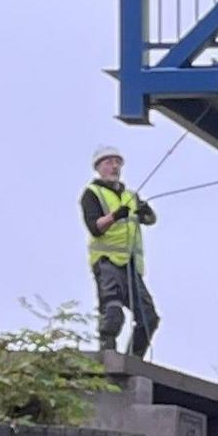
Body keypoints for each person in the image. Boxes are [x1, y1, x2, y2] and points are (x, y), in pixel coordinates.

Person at [82, 146, 159, 361]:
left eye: (117, 162)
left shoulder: (130, 195)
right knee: (112, 313)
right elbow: (95, 227)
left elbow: (150, 220)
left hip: (131, 265)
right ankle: (107, 358)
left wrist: (146, 212)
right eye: (109, 162)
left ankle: (134, 359)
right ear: (98, 168)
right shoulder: (92, 194)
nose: (114, 166)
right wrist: (115, 216)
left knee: (149, 318)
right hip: (107, 262)